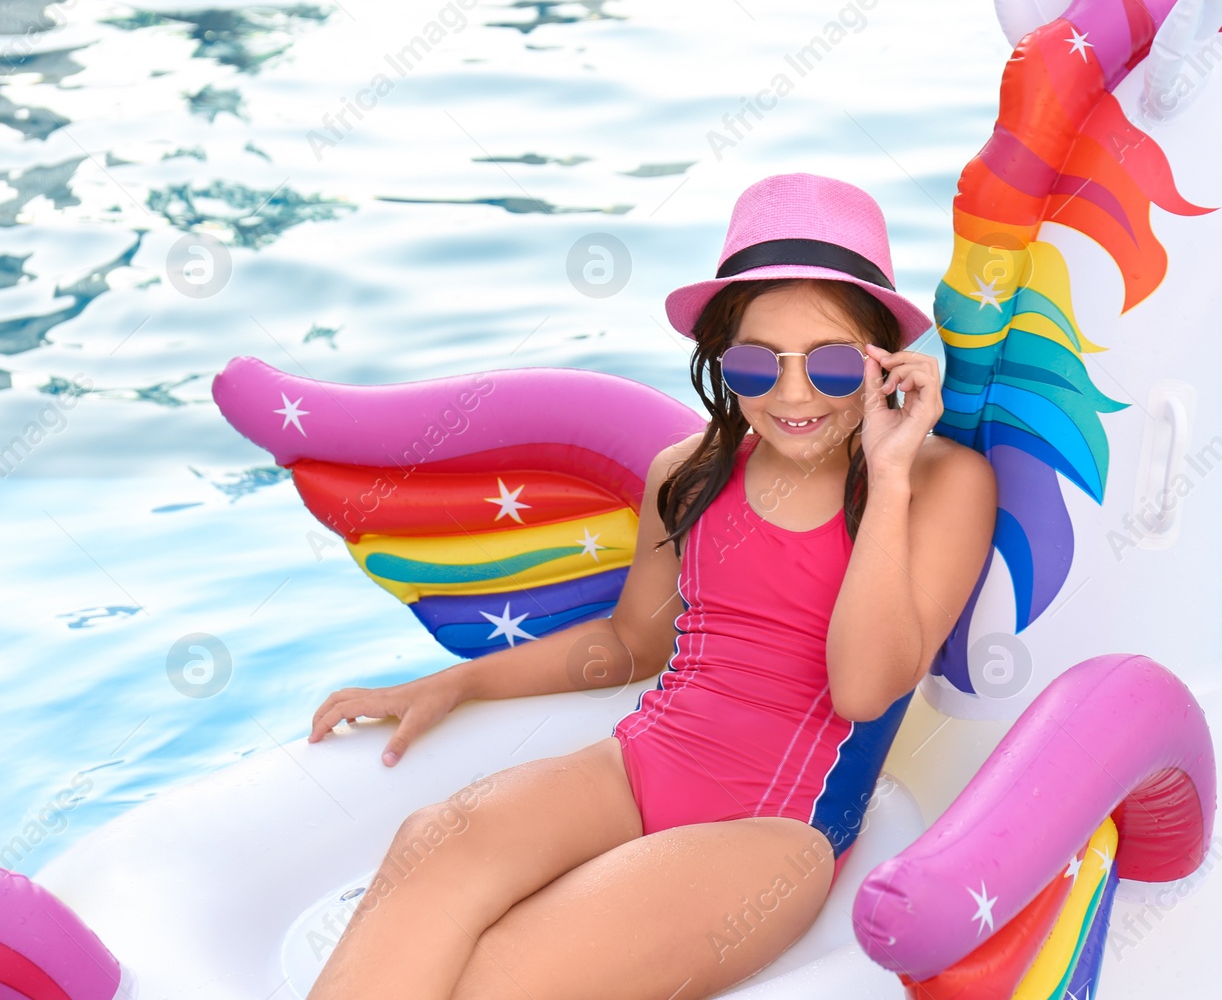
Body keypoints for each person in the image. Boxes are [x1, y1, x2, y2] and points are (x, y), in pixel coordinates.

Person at [303, 173, 998, 1000]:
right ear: (718, 360)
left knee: (506, 974)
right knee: (436, 840)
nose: (793, 391)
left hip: (773, 833)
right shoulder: (691, 472)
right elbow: (633, 642)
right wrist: (453, 682)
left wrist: (886, 478)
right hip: (641, 764)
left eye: (834, 363)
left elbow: (864, 687)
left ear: (884, 358)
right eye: (755, 361)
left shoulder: (941, 482)